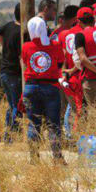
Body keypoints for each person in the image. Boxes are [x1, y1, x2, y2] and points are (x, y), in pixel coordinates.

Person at [21, 16, 66, 163]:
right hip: (51, 87)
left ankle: (34, 158)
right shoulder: (55, 44)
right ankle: (57, 157)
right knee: (53, 124)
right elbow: (60, 64)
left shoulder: (26, 46)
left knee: (34, 123)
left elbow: (25, 62)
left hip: (30, 87)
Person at [0, 3, 23, 137]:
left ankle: (9, 132)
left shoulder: (9, 26)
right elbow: (21, 57)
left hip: (5, 72)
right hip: (13, 73)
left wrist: (4, 46)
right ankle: (11, 136)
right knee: (17, 105)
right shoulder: (20, 32)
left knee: (12, 104)